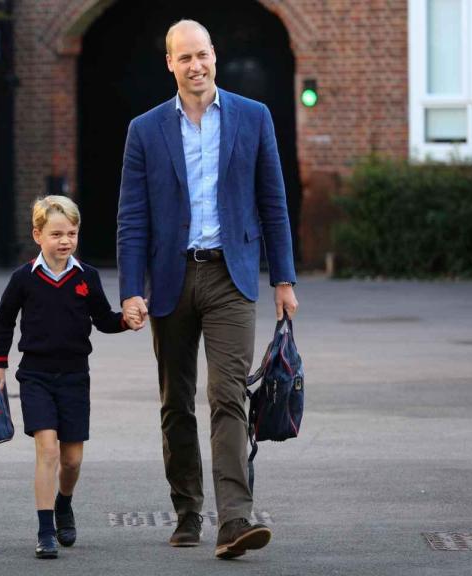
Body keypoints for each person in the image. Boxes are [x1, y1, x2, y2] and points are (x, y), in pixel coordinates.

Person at [116, 20, 299, 560]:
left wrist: (283, 278)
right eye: (184, 58)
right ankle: (188, 509)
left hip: (231, 276)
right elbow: (132, 219)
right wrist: (131, 290)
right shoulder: (145, 130)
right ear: (168, 64)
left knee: (228, 396)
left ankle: (235, 519)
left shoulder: (253, 116)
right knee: (176, 403)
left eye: (202, 55)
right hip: (170, 279)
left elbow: (274, 202)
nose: (195, 66)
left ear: (214, 56)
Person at [0, 195, 128, 559]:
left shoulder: (87, 277)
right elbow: (3, 322)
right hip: (36, 375)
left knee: (72, 460)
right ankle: (45, 530)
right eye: (56, 233)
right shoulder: (22, 279)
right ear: (38, 235)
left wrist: (126, 320)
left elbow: (104, 320)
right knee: (47, 449)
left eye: (72, 233)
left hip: (76, 377)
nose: (65, 241)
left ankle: (64, 503)